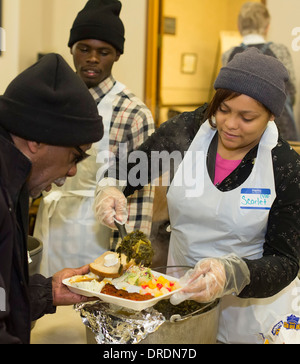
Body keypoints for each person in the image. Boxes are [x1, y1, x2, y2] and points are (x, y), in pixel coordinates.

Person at [93, 48, 300, 344]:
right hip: (184, 300)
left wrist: (232, 274)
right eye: (223, 109)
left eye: (247, 117)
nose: (230, 124)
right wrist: (111, 187)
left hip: (252, 311)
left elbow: (286, 261)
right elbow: (131, 170)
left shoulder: (284, 166)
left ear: (270, 116)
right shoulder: (189, 132)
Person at [33, 0, 155, 276]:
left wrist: (128, 262)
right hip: (50, 225)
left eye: (104, 52)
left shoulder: (133, 113)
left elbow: (140, 197)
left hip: (97, 239)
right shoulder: (51, 101)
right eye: (84, 49)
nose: (92, 58)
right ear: (71, 49)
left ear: (117, 55)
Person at [0, 53, 103, 344]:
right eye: (74, 156)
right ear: (37, 140)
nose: (71, 172)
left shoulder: (14, 180)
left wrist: (47, 292)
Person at [222, 2, 299, 141]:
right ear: (267, 27)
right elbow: (291, 91)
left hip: (241, 133)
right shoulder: (280, 51)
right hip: (281, 129)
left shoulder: (229, 54)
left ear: (239, 27)